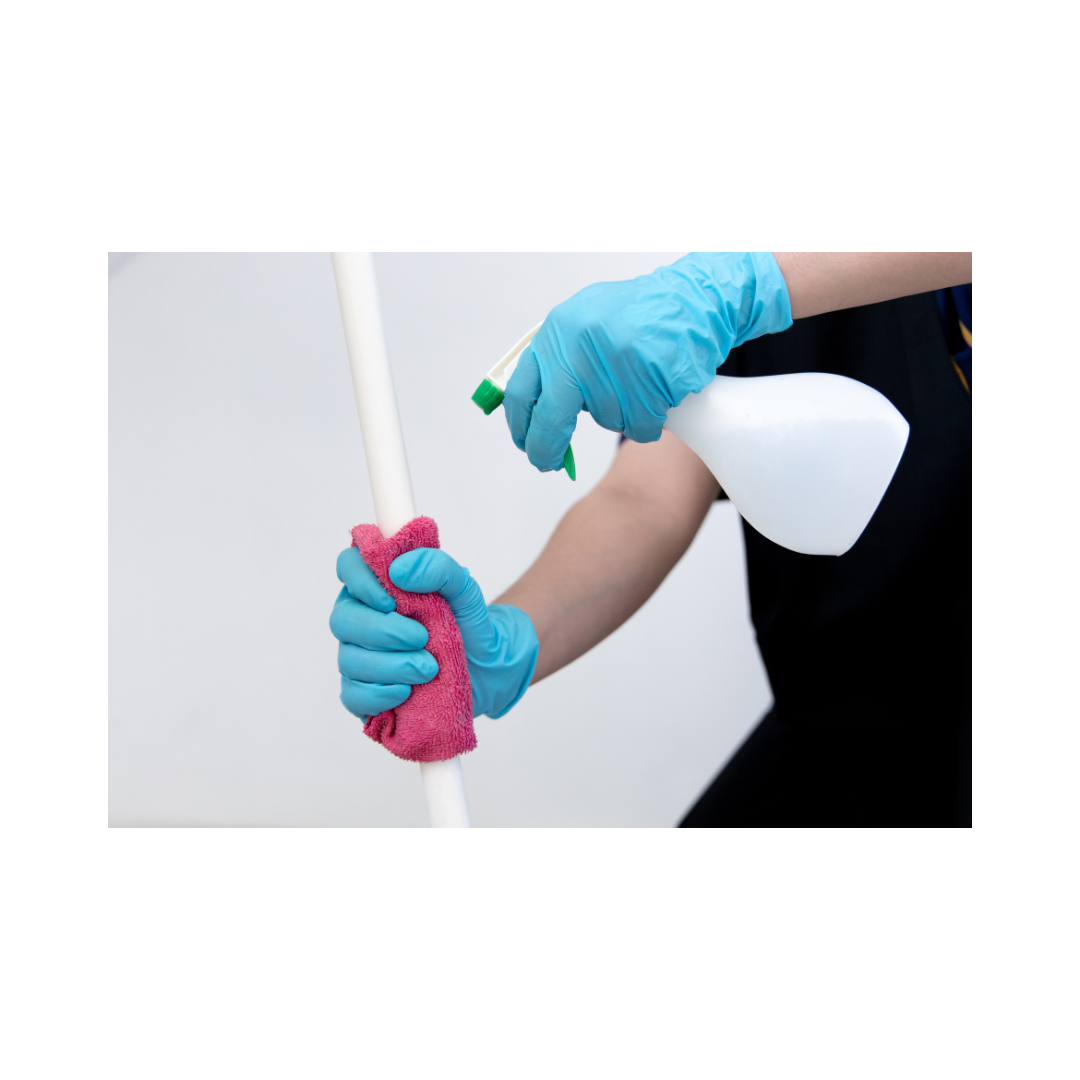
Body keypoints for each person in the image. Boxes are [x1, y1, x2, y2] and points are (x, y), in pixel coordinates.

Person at [330, 253, 973, 826]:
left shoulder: (735, 280)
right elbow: (646, 497)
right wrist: (507, 641)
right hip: (850, 710)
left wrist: (747, 285)